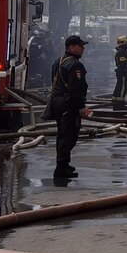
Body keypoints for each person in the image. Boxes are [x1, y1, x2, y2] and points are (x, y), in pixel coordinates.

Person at [49, 34, 89, 182]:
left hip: (58, 102)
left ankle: (65, 164)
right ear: (72, 47)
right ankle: (61, 169)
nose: (83, 48)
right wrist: (81, 108)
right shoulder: (75, 65)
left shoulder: (58, 61)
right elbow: (75, 89)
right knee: (69, 136)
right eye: (81, 46)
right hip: (68, 104)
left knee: (62, 134)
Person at [111, 36, 127, 109]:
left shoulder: (121, 51)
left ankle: (115, 102)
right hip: (123, 72)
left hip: (121, 71)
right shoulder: (121, 52)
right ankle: (120, 104)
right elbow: (123, 63)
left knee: (119, 86)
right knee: (124, 87)